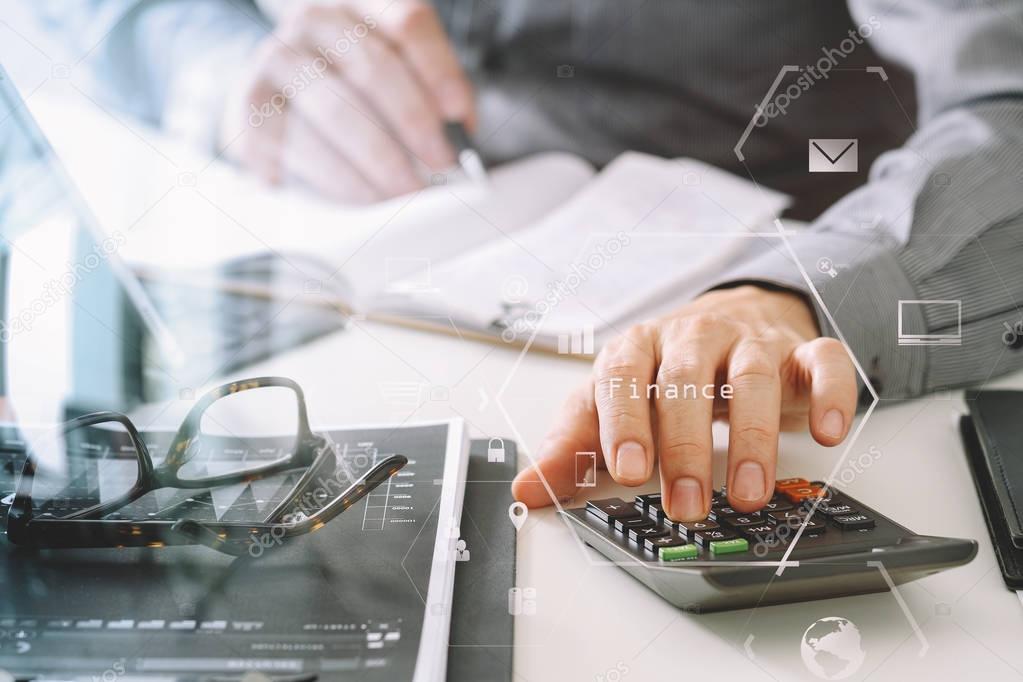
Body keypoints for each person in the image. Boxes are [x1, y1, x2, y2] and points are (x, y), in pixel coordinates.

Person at [37, 0, 1023, 520]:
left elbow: (1007, 96)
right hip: (319, 280)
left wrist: (798, 296)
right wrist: (215, 71)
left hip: (744, 306)